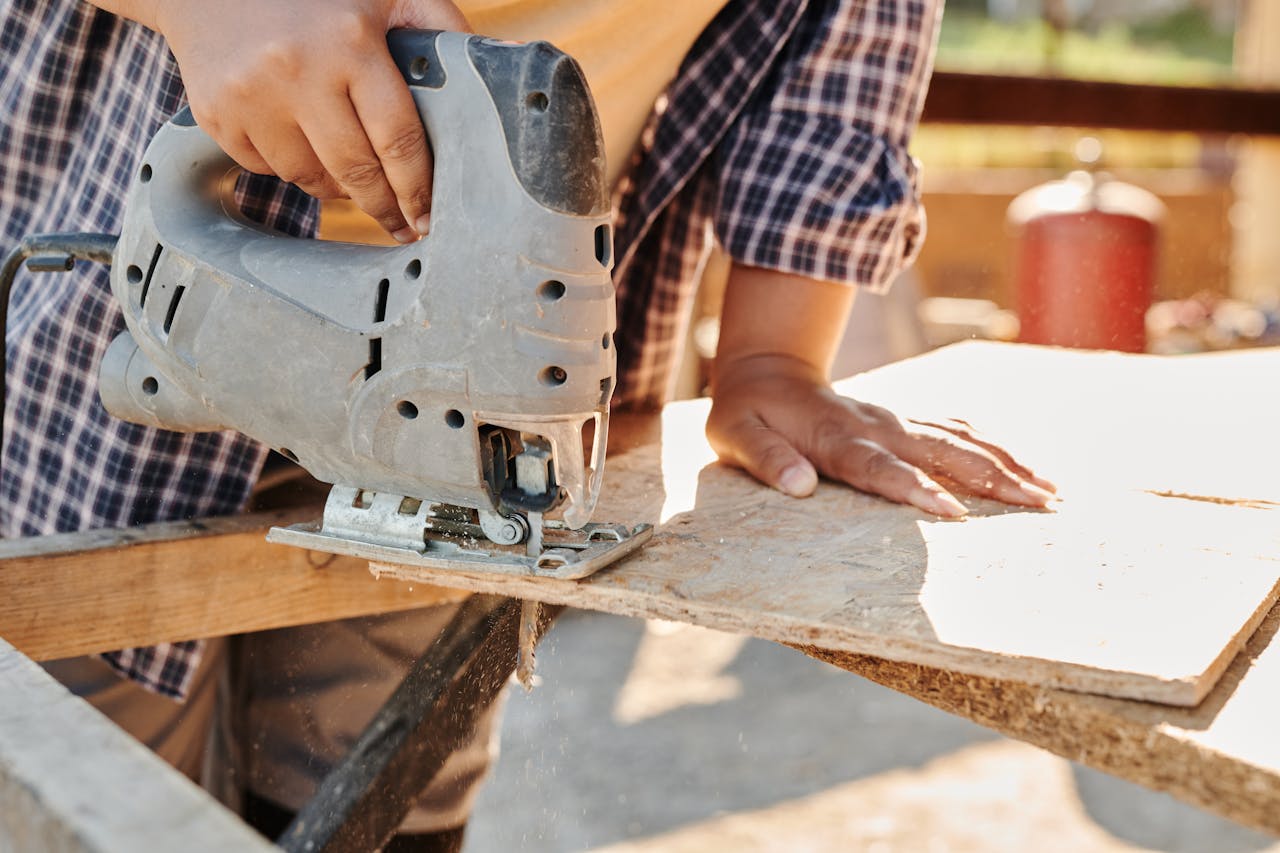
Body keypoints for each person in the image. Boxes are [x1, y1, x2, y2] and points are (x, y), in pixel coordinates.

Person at [1, 0, 1055, 846]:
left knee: (386, 789)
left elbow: (842, 69)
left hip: (468, 425)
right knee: (94, 783)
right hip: (90, 408)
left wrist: (772, 357)